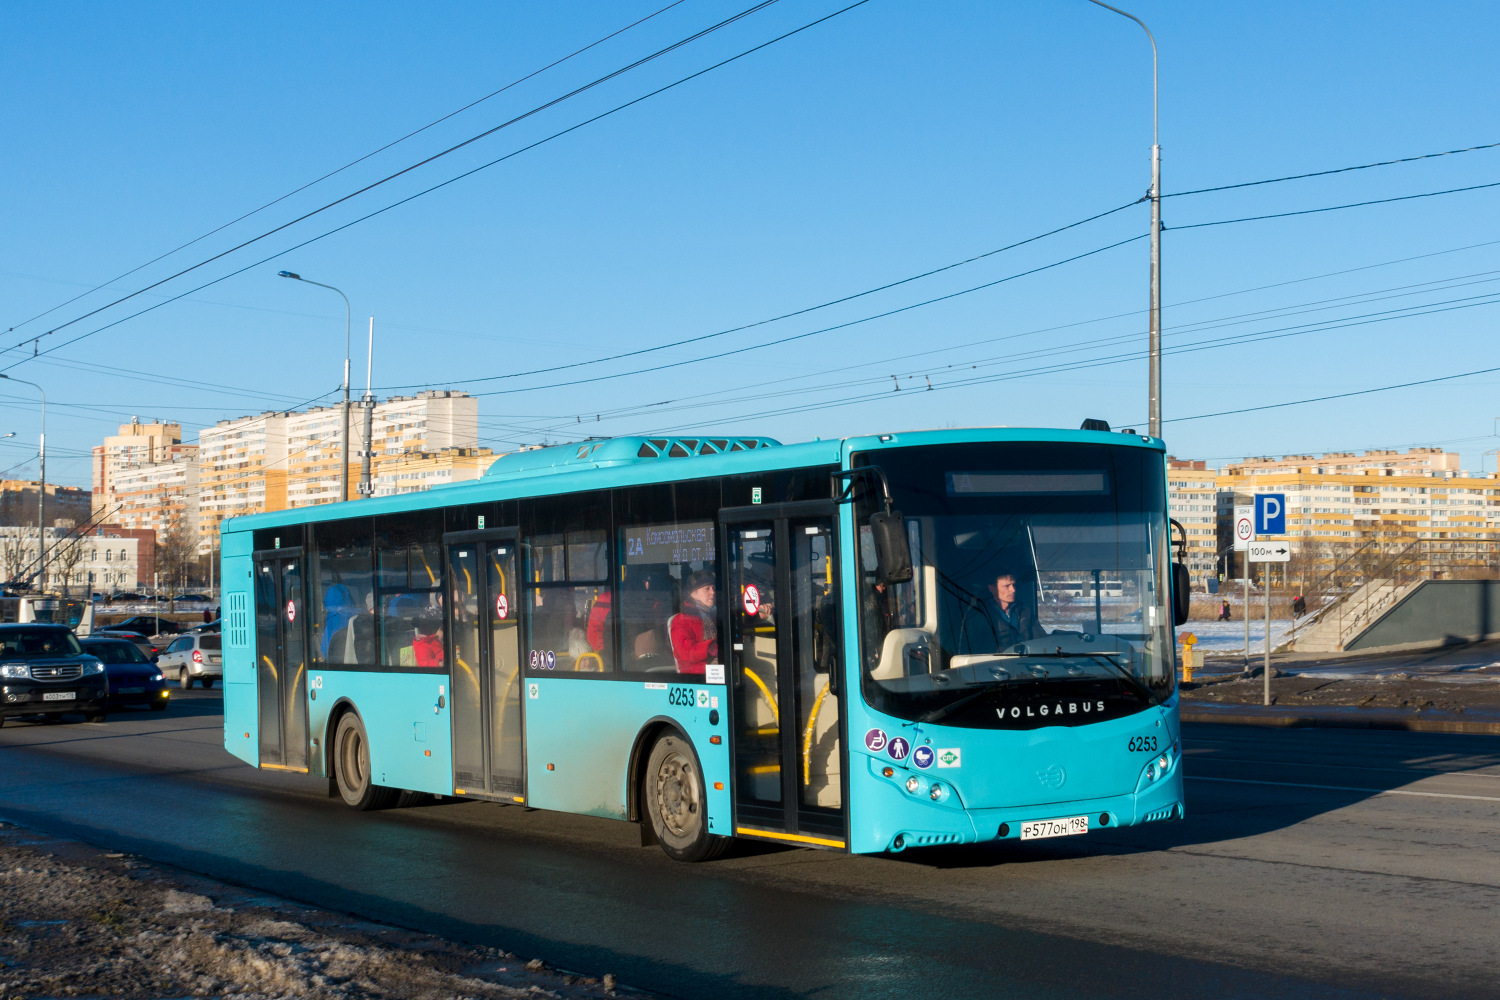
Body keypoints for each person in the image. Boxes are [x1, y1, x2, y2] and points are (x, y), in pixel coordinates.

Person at [958, 571, 1044, 653]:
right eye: (1007, 586)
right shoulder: (979, 615)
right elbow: (970, 649)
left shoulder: (1024, 610)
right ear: (992, 588)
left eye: (1013, 585)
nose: (1013, 589)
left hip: (1026, 662)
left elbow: (1040, 639)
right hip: (995, 664)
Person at [669, 570, 718, 676]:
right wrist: (710, 647)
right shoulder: (682, 620)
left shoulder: (717, 615)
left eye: (714, 588)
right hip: (697, 675)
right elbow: (686, 652)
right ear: (693, 594)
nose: (713, 592)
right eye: (707, 588)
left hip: (720, 666)